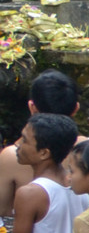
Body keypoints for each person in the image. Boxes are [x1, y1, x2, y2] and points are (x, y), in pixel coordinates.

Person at [0, 70, 78, 220]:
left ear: (32, 107)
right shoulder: (87, 151)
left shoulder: (11, 156)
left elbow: (2, 212)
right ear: (76, 108)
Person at [10, 116, 85, 233]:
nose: (18, 144)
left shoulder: (30, 193)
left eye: (24, 140)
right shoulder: (81, 185)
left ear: (44, 153)